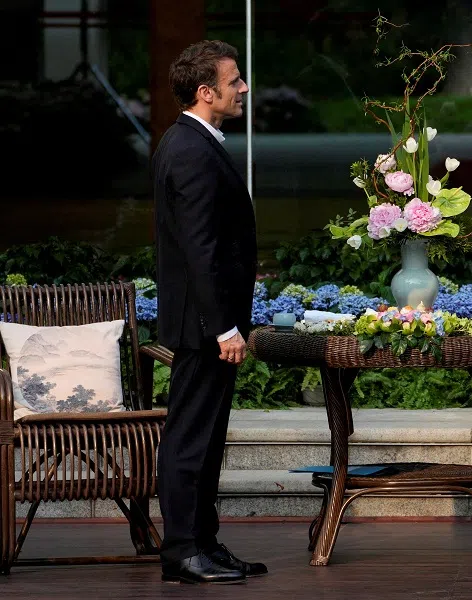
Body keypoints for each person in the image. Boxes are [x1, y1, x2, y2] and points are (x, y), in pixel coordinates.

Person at [152, 40, 264, 585]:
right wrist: (224, 326)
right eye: (234, 80)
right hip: (204, 326)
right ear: (207, 91)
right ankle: (181, 551)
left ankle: (204, 543)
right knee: (190, 438)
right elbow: (200, 248)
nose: (242, 88)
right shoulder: (191, 149)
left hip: (209, 323)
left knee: (208, 437)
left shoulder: (197, 142)